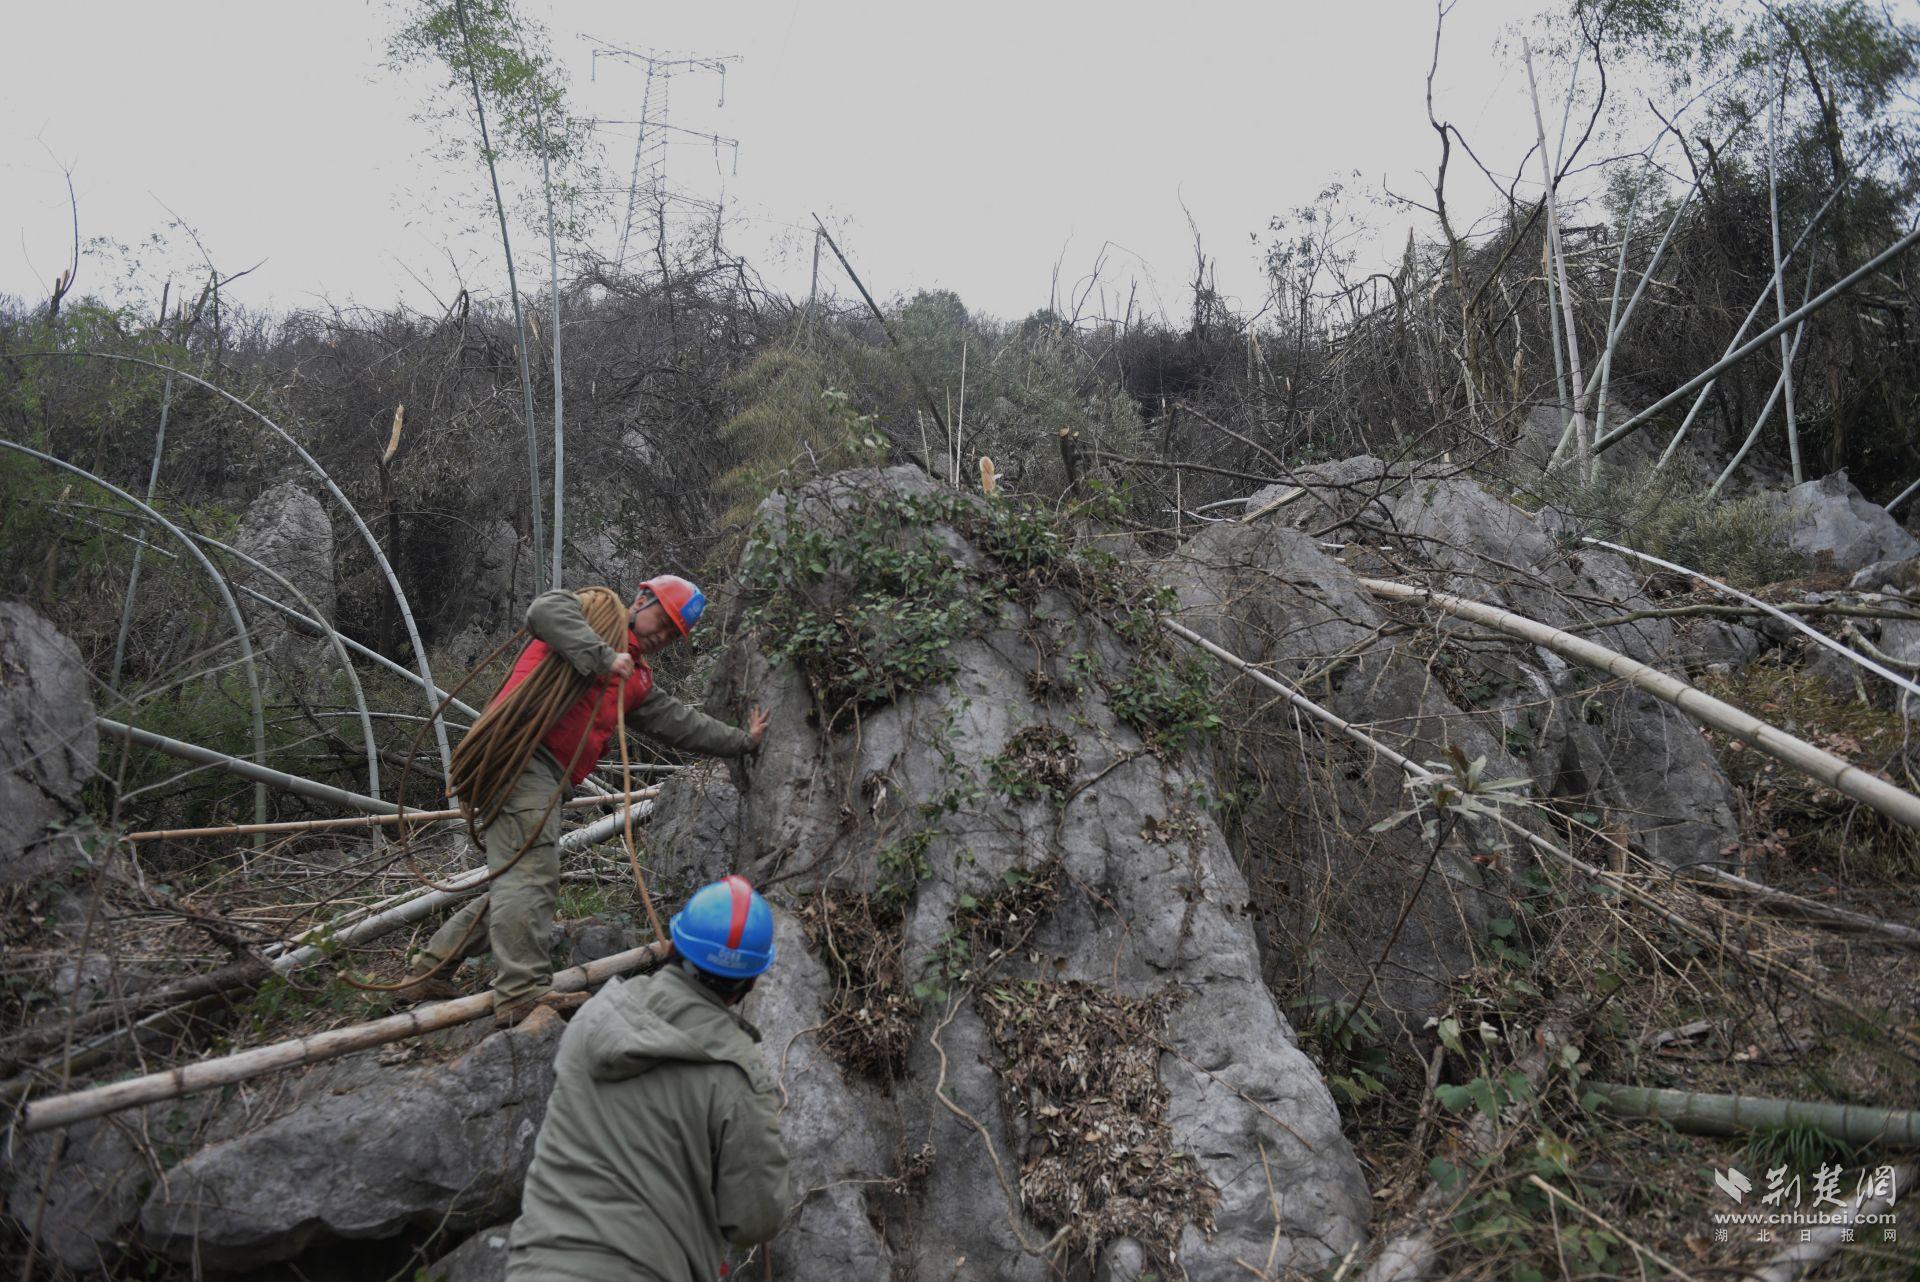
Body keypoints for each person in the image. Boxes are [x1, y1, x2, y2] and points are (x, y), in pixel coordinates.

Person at [402, 576, 770, 1025]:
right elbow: (544, 612)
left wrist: (742, 741)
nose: (663, 636)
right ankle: (520, 992)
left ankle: (430, 969)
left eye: (674, 635)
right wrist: (600, 657)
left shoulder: (634, 677)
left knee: (520, 877)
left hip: (549, 778)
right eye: (664, 621)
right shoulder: (595, 610)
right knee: (532, 876)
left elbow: (680, 721)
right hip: (519, 755)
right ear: (642, 599)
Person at [506, 876, 791, 1281]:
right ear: (751, 982)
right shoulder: (735, 1075)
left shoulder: (593, 1018)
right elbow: (756, 1220)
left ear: (673, 946)